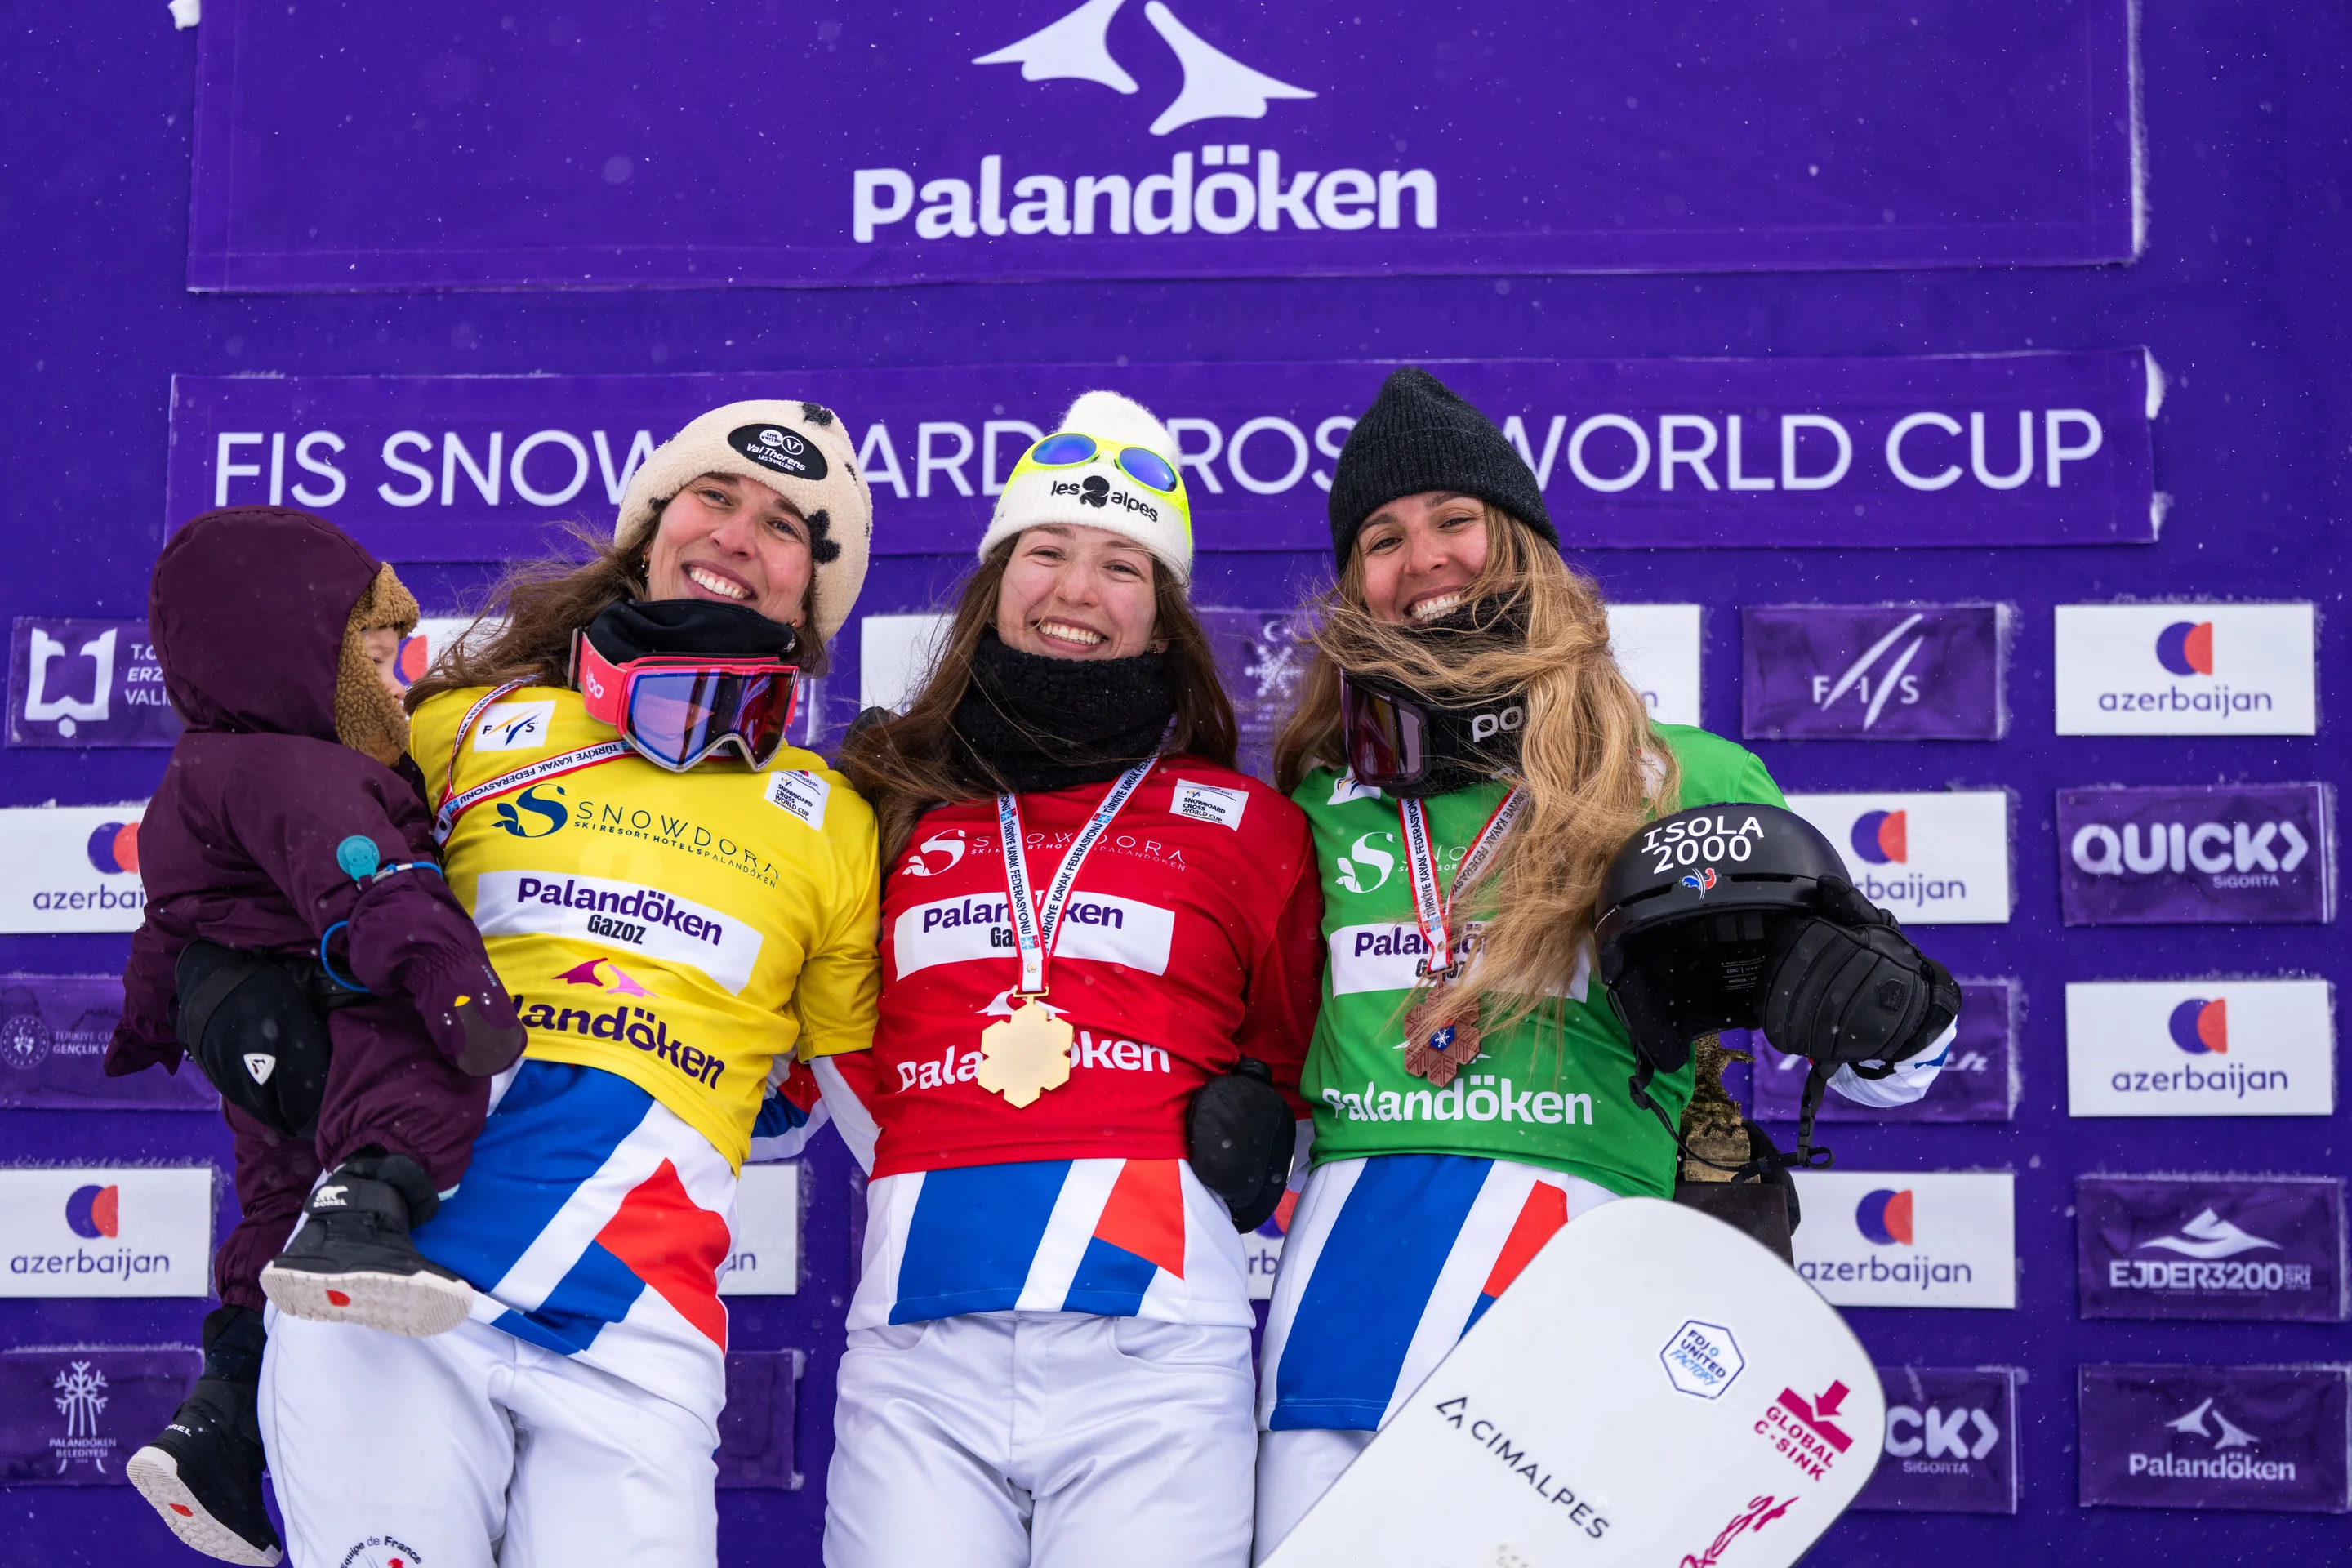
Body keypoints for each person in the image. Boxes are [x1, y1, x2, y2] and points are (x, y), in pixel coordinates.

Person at [1250, 368, 1950, 1559]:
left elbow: (1889, 1064)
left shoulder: (1686, 783)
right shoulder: (1317, 806)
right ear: (1351, 585)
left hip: (1587, 1335)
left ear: (1521, 543)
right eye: (1382, 536)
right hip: (1339, 1337)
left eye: (1454, 520)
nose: (1424, 558)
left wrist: (1895, 1016)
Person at [253, 400, 881, 1568]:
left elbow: (823, 1086)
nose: (739, 534)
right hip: (390, 1290)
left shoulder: (834, 823)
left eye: (788, 524)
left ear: (814, 596)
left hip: (636, 1337)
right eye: (714, 496)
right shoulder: (459, 722)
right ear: (649, 527)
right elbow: (278, 926)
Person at [821, 391, 1325, 1568]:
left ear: (1163, 623)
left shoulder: (1248, 826)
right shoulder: (888, 803)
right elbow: (833, 1039)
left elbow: (1297, 1059)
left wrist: (1263, 1114)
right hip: (919, 1337)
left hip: (1154, 1344)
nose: (1075, 591)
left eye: (1121, 567)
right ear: (998, 581)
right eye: (1045, 551)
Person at [109, 506, 527, 1566]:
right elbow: (377, 886)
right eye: (374, 650)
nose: (398, 678)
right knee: (409, 1064)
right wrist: (455, 987)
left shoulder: (198, 765)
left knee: (269, 1207)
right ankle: (367, 1213)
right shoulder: (303, 767)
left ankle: (217, 1425)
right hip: (314, 1011)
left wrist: (152, 1018)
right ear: (297, 653)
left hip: (238, 1031)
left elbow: (168, 919)